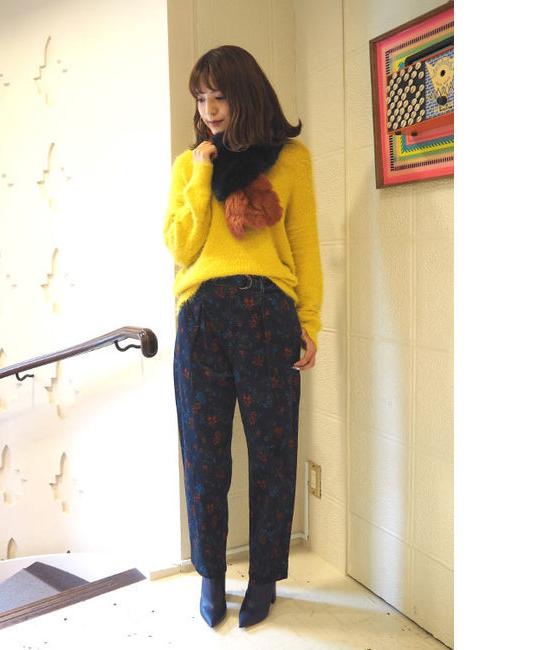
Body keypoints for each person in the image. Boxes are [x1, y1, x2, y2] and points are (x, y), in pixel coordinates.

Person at [163, 44, 322, 629]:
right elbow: (180, 245)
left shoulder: (291, 160)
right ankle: (211, 574)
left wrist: (310, 321)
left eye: (219, 96)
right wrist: (202, 169)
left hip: (266, 313)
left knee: (273, 453)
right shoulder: (189, 164)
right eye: (200, 98)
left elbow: (304, 244)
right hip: (201, 317)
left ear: (246, 94)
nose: (208, 109)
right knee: (203, 455)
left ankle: (264, 577)